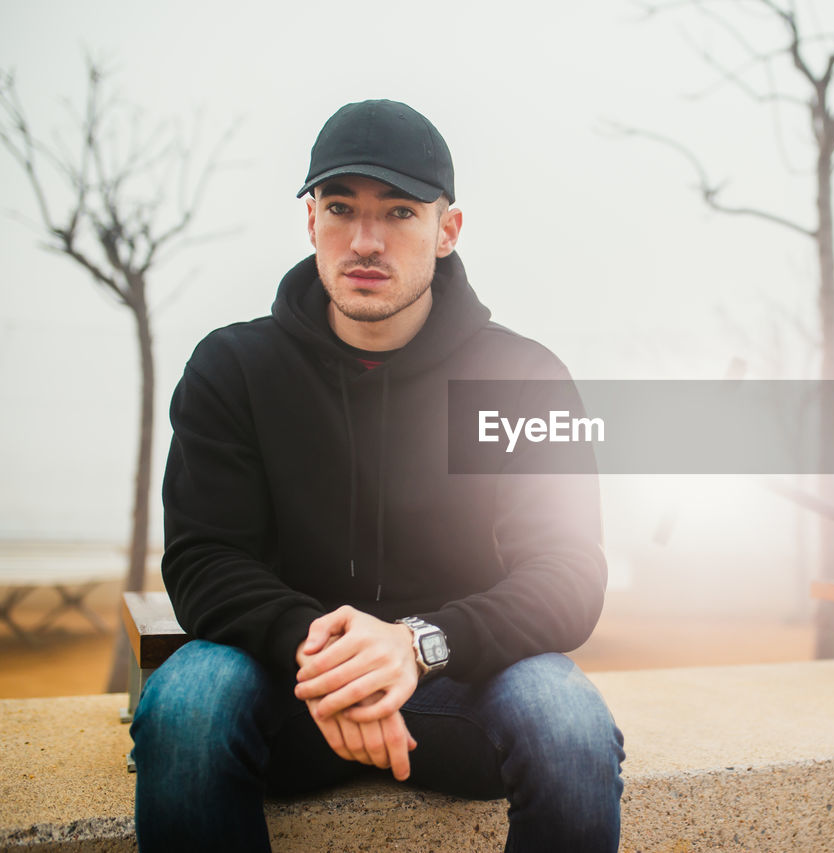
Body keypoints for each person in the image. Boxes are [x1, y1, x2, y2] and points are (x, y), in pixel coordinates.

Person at [130, 99, 624, 852]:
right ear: (310, 222)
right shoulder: (232, 368)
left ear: (447, 230)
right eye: (340, 208)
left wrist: (418, 644)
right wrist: (334, 657)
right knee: (188, 702)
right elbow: (204, 560)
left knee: (570, 722)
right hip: (287, 681)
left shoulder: (525, 377)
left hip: (458, 680)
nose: (366, 240)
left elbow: (570, 571)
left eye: (398, 211)